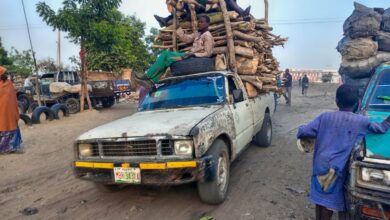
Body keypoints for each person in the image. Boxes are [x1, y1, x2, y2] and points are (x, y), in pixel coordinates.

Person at [296, 85, 390, 220]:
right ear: (357, 103)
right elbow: (381, 128)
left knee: (320, 199)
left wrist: (302, 130)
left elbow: (303, 132)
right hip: (336, 171)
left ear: (336, 101)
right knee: (329, 203)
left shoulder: (325, 117)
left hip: (320, 166)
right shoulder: (361, 121)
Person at [133, 15, 214, 89]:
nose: (199, 23)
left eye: (201, 22)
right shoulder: (198, 33)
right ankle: (150, 79)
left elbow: (208, 53)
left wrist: (194, 54)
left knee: (169, 59)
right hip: (188, 55)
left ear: (207, 24)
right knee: (165, 54)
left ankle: (148, 78)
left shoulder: (208, 36)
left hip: (194, 58)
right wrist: (178, 27)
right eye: (198, 21)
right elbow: (186, 39)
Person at [154, 0, 251, 27]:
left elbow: (212, 2)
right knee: (182, 10)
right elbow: (178, 7)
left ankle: (243, 14)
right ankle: (165, 20)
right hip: (196, 10)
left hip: (214, 8)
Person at [0, 66, 23, 154]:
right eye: (5, 73)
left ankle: (6, 148)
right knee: (9, 126)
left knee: (4, 127)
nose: (6, 75)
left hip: (5, 112)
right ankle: (11, 147)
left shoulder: (7, 84)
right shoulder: (9, 84)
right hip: (9, 111)